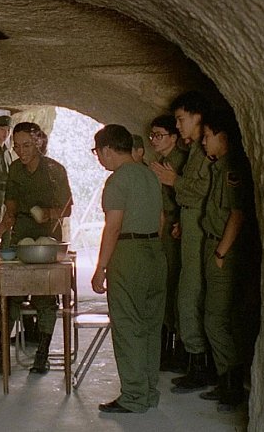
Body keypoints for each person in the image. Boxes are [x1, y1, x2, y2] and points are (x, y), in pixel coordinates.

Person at [90, 124, 167, 414]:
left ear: (108, 150)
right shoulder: (149, 175)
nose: (99, 158)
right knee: (150, 326)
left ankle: (134, 396)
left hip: (129, 254)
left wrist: (101, 267)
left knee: (128, 326)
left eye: (98, 152)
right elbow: (160, 219)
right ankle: (149, 392)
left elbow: (113, 227)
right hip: (155, 252)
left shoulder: (117, 181)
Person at [0, 121, 73, 374]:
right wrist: (3, 227)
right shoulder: (15, 169)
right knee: (10, 294)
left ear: (38, 142)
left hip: (48, 239)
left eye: (26, 145)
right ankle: (1, 353)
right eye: (17, 146)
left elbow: (67, 208)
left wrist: (48, 213)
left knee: (46, 297)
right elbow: (11, 203)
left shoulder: (54, 170)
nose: (21, 151)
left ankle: (42, 354)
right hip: (22, 236)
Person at [150, 91, 215, 393]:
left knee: (190, 296)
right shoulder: (196, 152)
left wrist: (173, 181)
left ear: (197, 116)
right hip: (189, 229)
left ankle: (199, 366)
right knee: (186, 295)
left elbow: (202, 192)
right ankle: (195, 363)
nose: (178, 126)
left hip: (198, 233)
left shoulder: (202, 153)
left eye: (180, 119)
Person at [197, 108, 253, 412]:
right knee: (216, 317)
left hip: (222, 250)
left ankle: (232, 386)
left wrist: (220, 253)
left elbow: (237, 214)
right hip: (214, 245)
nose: (204, 142)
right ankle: (225, 381)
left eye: (208, 136)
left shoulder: (232, 170)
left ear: (224, 138)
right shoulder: (219, 168)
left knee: (215, 320)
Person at [148, 115, 189, 372]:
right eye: (152, 135)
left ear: (174, 137)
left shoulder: (180, 162)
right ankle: (166, 349)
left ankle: (178, 351)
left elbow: (189, 197)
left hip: (177, 232)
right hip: (166, 231)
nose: (154, 140)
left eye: (159, 135)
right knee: (165, 286)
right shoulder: (161, 162)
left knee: (174, 287)